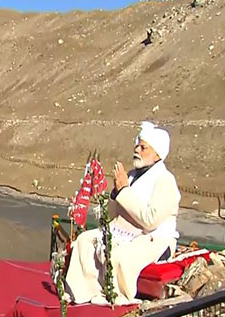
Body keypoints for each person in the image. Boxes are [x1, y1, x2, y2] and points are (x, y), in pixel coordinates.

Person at [65, 121, 181, 305]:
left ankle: (117, 296)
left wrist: (124, 191)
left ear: (157, 154)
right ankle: (81, 292)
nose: (137, 150)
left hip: (154, 238)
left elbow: (150, 220)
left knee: (119, 256)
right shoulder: (133, 175)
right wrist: (116, 193)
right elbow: (116, 214)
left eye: (143, 147)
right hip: (125, 230)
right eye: (137, 145)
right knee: (85, 240)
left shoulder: (165, 180)